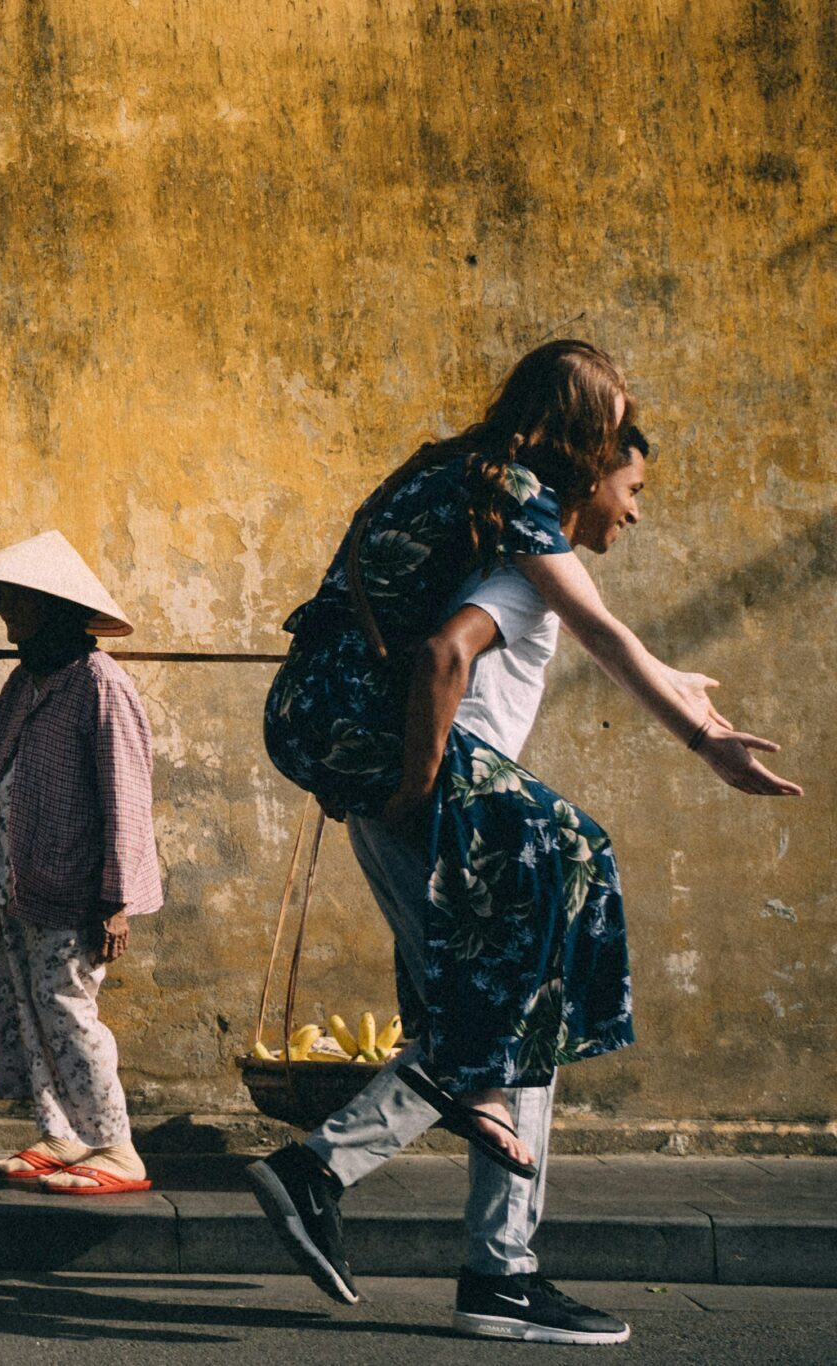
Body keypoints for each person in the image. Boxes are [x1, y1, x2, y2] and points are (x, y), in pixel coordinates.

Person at [252, 342, 799, 1346]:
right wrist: (700, 738)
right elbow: (470, 652)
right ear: (584, 456)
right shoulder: (514, 545)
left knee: (484, 1017)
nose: (633, 511)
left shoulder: (446, 479)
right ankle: (376, 1200)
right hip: (428, 793)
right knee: (549, 934)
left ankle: (445, 1217)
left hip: (373, 768)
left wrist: (381, 783)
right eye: (627, 483)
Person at [0, 530, 163, 1196]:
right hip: (15, 886)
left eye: (18, 610)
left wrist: (116, 901)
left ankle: (116, 1146)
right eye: (4, 611)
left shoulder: (100, 685)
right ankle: (63, 1133)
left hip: (73, 890)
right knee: (24, 1010)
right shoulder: (28, 685)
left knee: (66, 1010)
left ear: (58, 611)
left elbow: (126, 797)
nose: (7, 622)